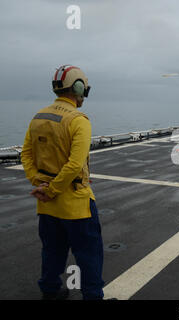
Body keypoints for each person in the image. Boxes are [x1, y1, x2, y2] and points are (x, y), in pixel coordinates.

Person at [21, 65, 104, 300]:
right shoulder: (79, 120)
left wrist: (39, 183)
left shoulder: (39, 117)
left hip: (46, 204)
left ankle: (50, 290)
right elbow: (75, 164)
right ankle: (93, 297)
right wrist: (55, 190)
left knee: (52, 251)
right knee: (89, 255)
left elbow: (26, 155)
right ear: (78, 87)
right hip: (75, 205)